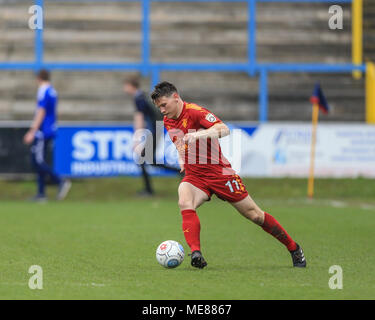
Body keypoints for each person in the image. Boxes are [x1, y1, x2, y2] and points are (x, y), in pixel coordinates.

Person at [151, 81, 306, 269]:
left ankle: (294, 248)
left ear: (176, 98)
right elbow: (178, 142)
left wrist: (198, 135)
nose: (162, 110)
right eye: (159, 107)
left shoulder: (196, 112)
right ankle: (196, 253)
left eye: (163, 105)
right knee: (184, 200)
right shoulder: (168, 120)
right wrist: (182, 157)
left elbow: (223, 129)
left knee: (255, 215)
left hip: (220, 174)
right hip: (196, 177)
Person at [124, 76, 180, 197]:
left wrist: (137, 139)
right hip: (157, 128)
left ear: (130, 86)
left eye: (126, 86)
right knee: (149, 160)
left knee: (142, 159)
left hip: (156, 129)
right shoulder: (142, 96)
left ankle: (148, 190)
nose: (125, 89)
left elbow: (139, 118)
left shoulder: (138, 98)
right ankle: (180, 172)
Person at [23, 69, 71, 202]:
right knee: (40, 160)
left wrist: (32, 131)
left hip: (43, 131)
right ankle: (41, 193)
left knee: (37, 160)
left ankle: (60, 182)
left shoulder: (43, 90)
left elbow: (41, 112)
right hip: (50, 128)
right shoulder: (52, 91)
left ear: (38, 78)